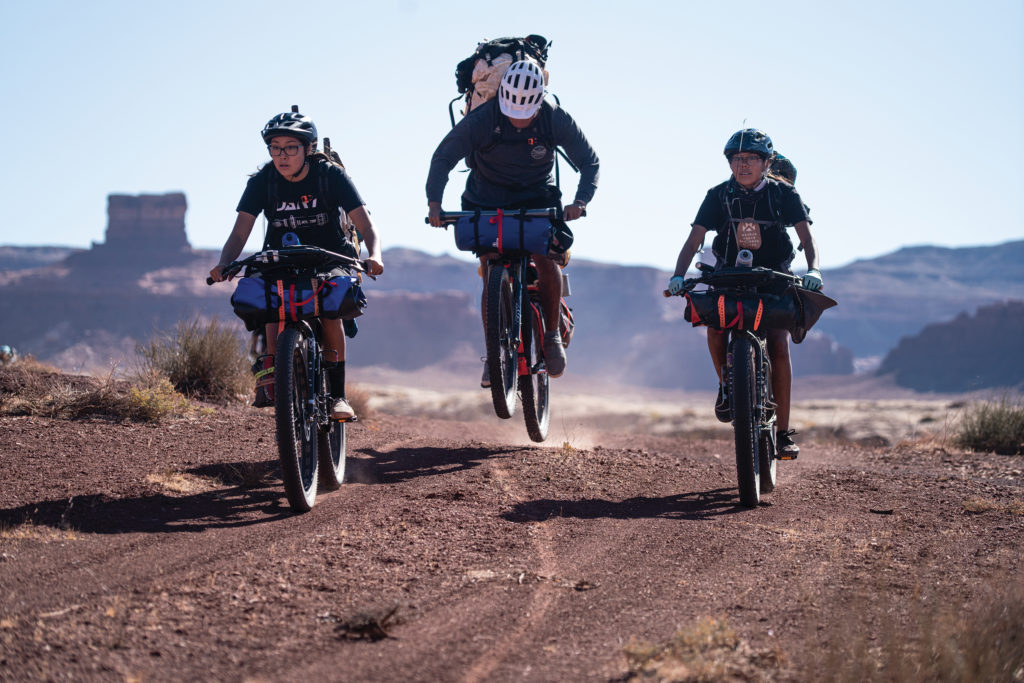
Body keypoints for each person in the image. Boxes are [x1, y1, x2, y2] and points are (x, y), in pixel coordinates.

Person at [426, 60, 599, 385]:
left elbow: (589, 162)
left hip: (537, 198)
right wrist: (435, 203)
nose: (519, 121)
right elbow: (443, 157)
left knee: (545, 259)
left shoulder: (553, 117)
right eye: (512, 113)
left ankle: (551, 337)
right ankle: (494, 355)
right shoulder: (483, 119)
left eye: (527, 114)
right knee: (490, 269)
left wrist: (580, 201)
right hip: (485, 197)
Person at [209, 109, 383, 420]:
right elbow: (240, 231)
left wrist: (374, 255)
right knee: (271, 305)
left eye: (290, 147)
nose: (282, 155)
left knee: (329, 309)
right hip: (280, 258)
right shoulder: (264, 181)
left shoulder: (330, 176)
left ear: (309, 149)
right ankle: (276, 372)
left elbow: (366, 226)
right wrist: (225, 262)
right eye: (275, 148)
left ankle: (338, 396)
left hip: (330, 256)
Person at [667, 129, 822, 458]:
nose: (743, 165)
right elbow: (695, 239)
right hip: (729, 273)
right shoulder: (718, 195)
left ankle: (783, 434)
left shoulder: (784, 195)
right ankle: (727, 384)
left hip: (775, 276)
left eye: (751, 158)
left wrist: (813, 269)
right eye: (737, 159)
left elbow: (807, 239)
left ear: (766, 162)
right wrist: (679, 274)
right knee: (714, 327)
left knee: (779, 342)